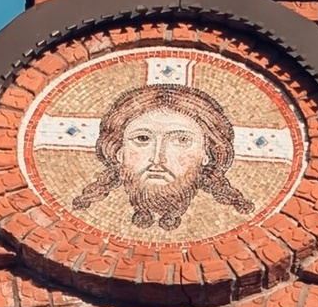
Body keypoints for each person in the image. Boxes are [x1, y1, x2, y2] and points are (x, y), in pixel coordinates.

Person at [71, 76, 257, 233]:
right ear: (119, 152)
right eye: (142, 138)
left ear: (206, 154)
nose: (158, 158)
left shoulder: (223, 222)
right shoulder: (91, 217)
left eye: (181, 140)